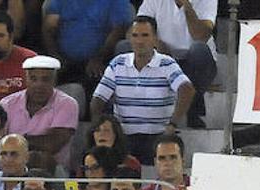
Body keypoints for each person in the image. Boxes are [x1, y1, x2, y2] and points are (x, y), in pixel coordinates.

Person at [91, 17, 195, 165]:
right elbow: (98, 99)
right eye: (135, 35)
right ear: (129, 38)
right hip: (124, 136)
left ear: (155, 39)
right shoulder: (118, 63)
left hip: (157, 135)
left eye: (145, 35)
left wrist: (173, 124)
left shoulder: (166, 63)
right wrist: (98, 127)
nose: (139, 41)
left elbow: (187, 89)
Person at [131, 0, 218, 129]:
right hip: (164, 57)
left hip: (195, 62)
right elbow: (134, 30)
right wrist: (155, 43)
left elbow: (201, 36)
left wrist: (187, 6)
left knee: (199, 49)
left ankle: (192, 111)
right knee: (126, 46)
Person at [42, 0, 134, 103]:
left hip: (100, 61)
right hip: (64, 61)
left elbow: (119, 29)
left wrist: (98, 58)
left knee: (94, 89)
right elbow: (49, 26)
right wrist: (55, 55)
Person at [0, 55, 79, 173]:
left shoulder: (67, 104)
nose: (39, 85)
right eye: (33, 79)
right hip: (11, 166)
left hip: (53, 171)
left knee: (41, 159)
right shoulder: (7, 104)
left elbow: (53, 144)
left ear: (54, 81)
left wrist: (15, 143)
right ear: (26, 79)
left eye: (45, 79)